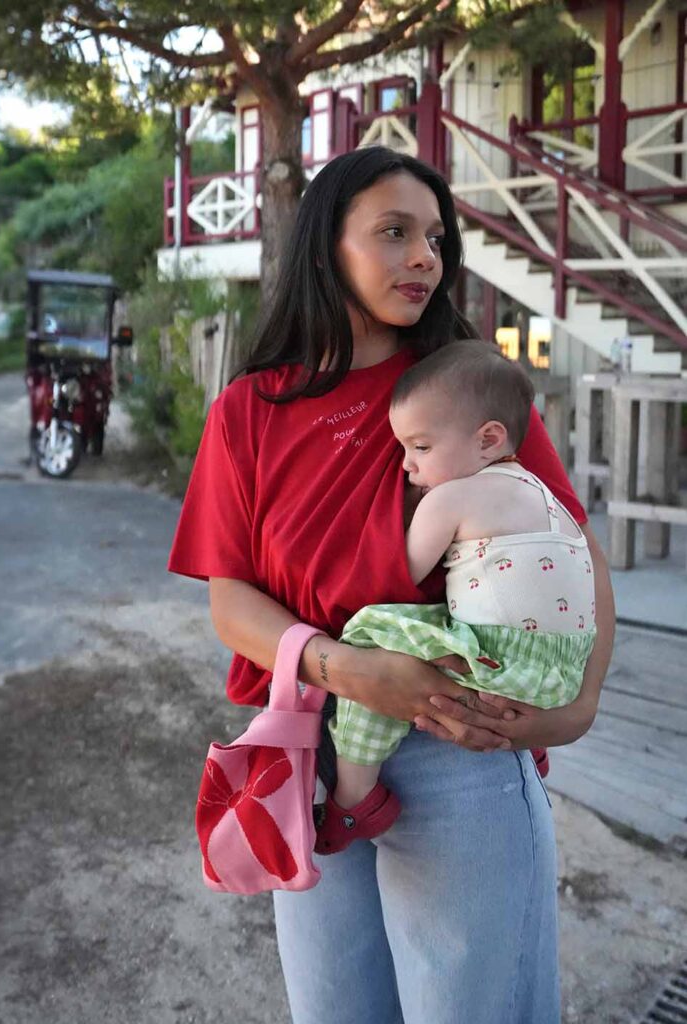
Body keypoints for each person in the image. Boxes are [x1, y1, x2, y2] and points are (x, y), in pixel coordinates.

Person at [167, 146, 614, 1024]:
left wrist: (581, 705)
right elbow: (231, 602)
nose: (423, 258)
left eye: (436, 239)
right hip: (308, 755)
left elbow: (571, 545)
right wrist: (345, 669)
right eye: (394, 232)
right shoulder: (248, 412)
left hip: (458, 749)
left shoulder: (461, 390)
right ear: (325, 244)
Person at [315, 340, 597, 856]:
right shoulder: (539, 490)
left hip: (497, 666)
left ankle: (354, 797)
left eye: (420, 447)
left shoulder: (451, 498)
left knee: (371, 633)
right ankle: (529, 750)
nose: (406, 465)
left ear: (488, 439)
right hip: (559, 677)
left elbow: (394, 576)